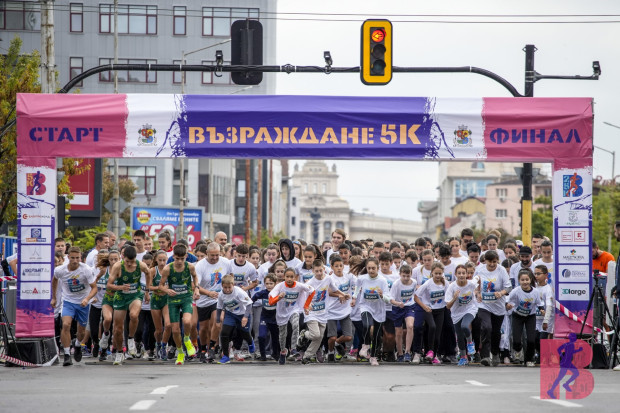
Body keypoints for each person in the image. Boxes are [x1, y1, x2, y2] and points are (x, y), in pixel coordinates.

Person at [51, 247, 98, 366]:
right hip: (68, 301)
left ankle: (77, 345)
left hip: (83, 302)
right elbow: (55, 280)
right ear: (68, 258)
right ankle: (67, 355)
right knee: (66, 325)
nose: (75, 260)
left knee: (81, 332)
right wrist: (54, 297)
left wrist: (87, 299)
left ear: (81, 258)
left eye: (77, 258)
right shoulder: (60, 270)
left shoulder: (85, 269)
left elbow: (94, 288)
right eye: (72, 258)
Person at [106, 245, 152, 365]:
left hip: (135, 295)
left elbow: (148, 273)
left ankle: (131, 338)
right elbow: (109, 285)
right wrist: (120, 287)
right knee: (117, 329)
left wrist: (147, 291)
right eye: (127, 261)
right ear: (123, 257)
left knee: (134, 315)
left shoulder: (141, 265)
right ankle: (120, 352)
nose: (130, 264)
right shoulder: (118, 266)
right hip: (121, 296)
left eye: (132, 262)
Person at [298, 259, 349, 364]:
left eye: (321, 270)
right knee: (315, 334)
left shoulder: (328, 279)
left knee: (320, 337)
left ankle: (307, 356)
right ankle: (304, 334)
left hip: (323, 312)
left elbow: (334, 289)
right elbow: (302, 296)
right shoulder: (310, 283)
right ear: (313, 271)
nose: (319, 273)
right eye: (316, 271)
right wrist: (306, 306)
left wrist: (343, 294)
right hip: (311, 312)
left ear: (324, 269)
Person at [158, 244, 200, 365]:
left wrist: (196, 288)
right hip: (173, 301)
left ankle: (187, 339)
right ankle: (180, 352)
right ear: (173, 257)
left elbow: (195, 277)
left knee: (187, 322)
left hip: (186, 298)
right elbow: (160, 285)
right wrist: (166, 290)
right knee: (175, 330)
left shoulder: (190, 267)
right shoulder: (168, 268)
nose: (180, 261)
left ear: (186, 256)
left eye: (182, 258)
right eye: (177, 258)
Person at [353, 257, 399, 366]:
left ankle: (373, 356)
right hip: (365, 306)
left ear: (377, 268)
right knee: (366, 325)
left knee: (377, 335)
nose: (371, 270)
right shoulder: (362, 278)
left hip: (379, 309)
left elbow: (388, 297)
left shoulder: (382, 280)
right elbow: (357, 286)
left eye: (373, 268)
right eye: (369, 268)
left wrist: (382, 295)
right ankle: (366, 345)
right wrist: (354, 298)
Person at [268, 267, 314, 365]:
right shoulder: (279, 287)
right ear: (284, 277)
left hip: (294, 310)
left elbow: (312, 291)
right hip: (282, 312)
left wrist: (306, 305)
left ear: (295, 277)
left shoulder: (299, 285)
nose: (289, 279)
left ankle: (293, 348)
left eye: (291, 277)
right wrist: (278, 297)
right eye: (287, 277)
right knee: (282, 335)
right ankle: (283, 352)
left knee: (295, 324)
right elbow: (271, 301)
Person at [195, 242, 231, 362]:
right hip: (203, 299)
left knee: (217, 322)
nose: (215, 258)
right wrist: (208, 293)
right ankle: (203, 349)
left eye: (217, 255)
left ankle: (211, 347)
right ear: (207, 253)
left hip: (219, 299)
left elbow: (230, 277)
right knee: (204, 328)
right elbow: (195, 285)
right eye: (212, 255)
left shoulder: (226, 262)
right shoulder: (200, 265)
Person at [475, 250, 512, 367]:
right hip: (484, 305)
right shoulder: (480, 270)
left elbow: (508, 287)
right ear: (485, 261)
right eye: (490, 262)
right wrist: (477, 293)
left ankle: (495, 353)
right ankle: (485, 356)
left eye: (494, 262)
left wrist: (501, 293)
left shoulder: (501, 270)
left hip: (498, 306)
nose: (492, 264)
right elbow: (475, 284)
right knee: (487, 327)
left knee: (496, 332)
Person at [506, 268, 543, 367]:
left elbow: (539, 303)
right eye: (522, 280)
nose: (525, 282)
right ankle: (517, 350)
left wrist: (542, 309)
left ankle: (529, 359)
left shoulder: (535, 292)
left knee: (531, 339)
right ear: (519, 281)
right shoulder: (516, 291)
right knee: (517, 339)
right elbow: (508, 300)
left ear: (530, 280)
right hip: (517, 316)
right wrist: (508, 305)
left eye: (527, 279)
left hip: (530, 316)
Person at [215, 275, 255, 364]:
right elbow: (219, 307)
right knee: (224, 332)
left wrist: (245, 317)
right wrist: (218, 320)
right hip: (231, 314)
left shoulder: (239, 292)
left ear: (233, 285)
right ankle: (225, 356)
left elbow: (249, 304)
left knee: (244, 333)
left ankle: (250, 342)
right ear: (222, 286)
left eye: (229, 287)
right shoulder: (221, 294)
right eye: (225, 287)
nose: (227, 290)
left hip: (243, 314)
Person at [414, 262, 447, 365]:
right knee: (432, 327)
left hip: (440, 310)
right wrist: (424, 306)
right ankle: (430, 351)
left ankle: (434, 355)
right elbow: (416, 296)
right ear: (432, 273)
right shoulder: (428, 283)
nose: (437, 276)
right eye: (435, 273)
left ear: (442, 273)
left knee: (437, 335)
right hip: (429, 309)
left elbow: (449, 295)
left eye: (439, 273)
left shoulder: (445, 283)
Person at [446, 264, 478, 366]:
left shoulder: (471, 284)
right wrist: (454, 298)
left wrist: (479, 292)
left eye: (463, 273)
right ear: (455, 274)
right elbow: (448, 306)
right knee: (459, 336)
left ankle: (470, 343)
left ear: (466, 274)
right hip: (456, 313)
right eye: (459, 273)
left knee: (465, 325)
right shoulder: (452, 287)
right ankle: (464, 357)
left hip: (470, 309)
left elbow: (479, 278)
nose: (461, 275)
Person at [326, 255, 355, 362]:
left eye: (341, 266)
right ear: (332, 267)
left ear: (343, 266)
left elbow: (357, 284)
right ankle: (330, 352)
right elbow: (329, 291)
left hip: (345, 311)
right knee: (332, 337)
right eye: (336, 266)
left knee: (348, 336)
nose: (339, 268)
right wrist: (339, 295)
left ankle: (337, 344)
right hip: (331, 311)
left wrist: (353, 297)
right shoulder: (330, 278)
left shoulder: (348, 277)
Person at [97, 250, 120, 361]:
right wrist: (94, 294)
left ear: (120, 259)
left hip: (119, 300)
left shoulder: (122, 271)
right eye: (111, 259)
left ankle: (114, 350)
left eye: (116, 259)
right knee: (107, 319)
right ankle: (105, 335)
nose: (113, 261)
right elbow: (94, 281)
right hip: (107, 299)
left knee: (117, 328)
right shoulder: (104, 270)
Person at [390, 264, 416, 363]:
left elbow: (414, 294)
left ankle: (407, 352)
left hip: (409, 306)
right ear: (400, 274)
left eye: (408, 276)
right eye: (403, 276)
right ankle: (400, 353)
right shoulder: (396, 284)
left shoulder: (414, 282)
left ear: (411, 275)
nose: (405, 278)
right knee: (399, 332)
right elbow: (391, 299)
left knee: (410, 326)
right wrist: (398, 303)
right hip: (397, 308)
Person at [148, 250, 171, 361]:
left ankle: (163, 346)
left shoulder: (170, 269)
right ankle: (158, 343)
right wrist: (160, 288)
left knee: (168, 325)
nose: (162, 262)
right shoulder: (153, 270)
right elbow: (149, 287)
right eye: (160, 260)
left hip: (166, 300)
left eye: (164, 260)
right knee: (158, 329)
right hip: (156, 300)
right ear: (156, 260)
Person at [251, 273, 280, 361]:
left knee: (275, 337)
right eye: (267, 284)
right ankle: (262, 354)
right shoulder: (263, 293)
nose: (269, 286)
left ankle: (276, 354)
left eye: (271, 284)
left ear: (275, 284)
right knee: (261, 336)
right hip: (264, 317)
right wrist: (249, 306)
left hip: (275, 318)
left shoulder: (278, 293)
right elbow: (253, 298)